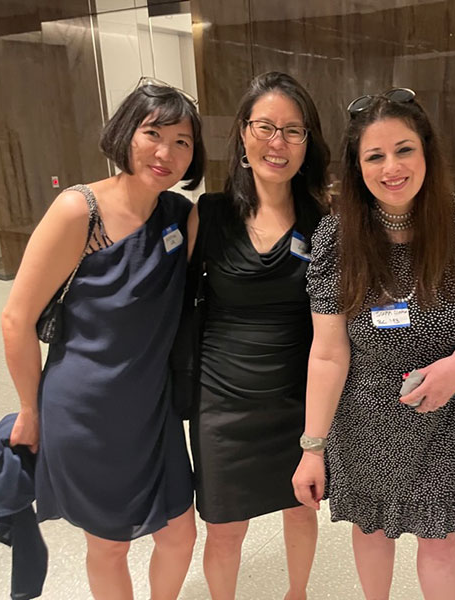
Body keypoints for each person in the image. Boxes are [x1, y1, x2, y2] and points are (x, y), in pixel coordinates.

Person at [2, 79, 205, 600]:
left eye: (182, 141)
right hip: (88, 409)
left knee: (180, 533)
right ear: (125, 133)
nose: (166, 152)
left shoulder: (179, 215)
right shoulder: (79, 209)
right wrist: (29, 408)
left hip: (153, 406)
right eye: (152, 133)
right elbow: (15, 318)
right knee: (110, 545)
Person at [292, 88, 455, 600]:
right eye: (374, 156)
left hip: (435, 409)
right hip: (360, 412)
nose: (391, 167)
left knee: (441, 538)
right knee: (370, 528)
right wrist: (312, 448)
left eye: (404, 150)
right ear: (357, 167)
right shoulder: (337, 237)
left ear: (426, 151)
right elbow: (328, 351)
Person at [187, 71, 330, 600]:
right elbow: (172, 302)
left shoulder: (324, 222)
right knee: (223, 526)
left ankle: (298, 593)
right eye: (266, 126)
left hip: (296, 396)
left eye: (294, 131)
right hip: (221, 400)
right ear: (243, 134)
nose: (279, 142)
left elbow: (336, 326)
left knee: (301, 506)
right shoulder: (211, 214)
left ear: (308, 143)